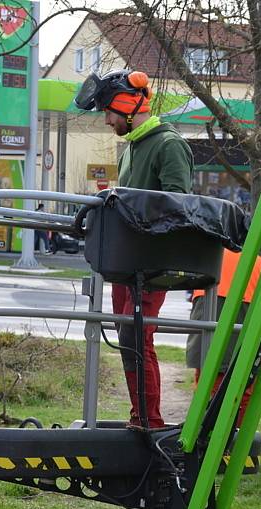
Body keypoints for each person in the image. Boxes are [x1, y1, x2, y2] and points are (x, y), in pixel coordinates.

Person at [75, 69, 194, 428]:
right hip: (126, 262)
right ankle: (140, 416)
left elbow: (178, 207)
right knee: (127, 336)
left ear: (127, 106)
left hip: (152, 262)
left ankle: (149, 419)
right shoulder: (133, 148)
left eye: (108, 111)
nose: (107, 119)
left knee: (136, 334)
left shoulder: (168, 145)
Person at [187, 248, 261, 427]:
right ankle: (224, 437)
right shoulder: (260, 263)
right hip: (242, 298)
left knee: (210, 380)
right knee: (238, 384)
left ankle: (204, 433)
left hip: (212, 296)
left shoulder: (212, 256)